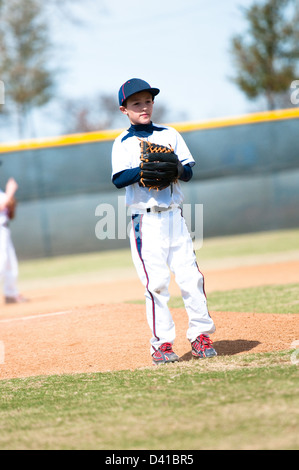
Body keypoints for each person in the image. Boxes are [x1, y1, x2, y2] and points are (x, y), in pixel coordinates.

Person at [111, 78, 216, 365]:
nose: (143, 107)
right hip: (144, 222)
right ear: (124, 109)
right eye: (136, 103)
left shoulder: (170, 134)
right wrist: (144, 168)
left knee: (191, 277)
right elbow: (119, 179)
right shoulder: (123, 142)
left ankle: (201, 336)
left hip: (174, 216)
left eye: (147, 101)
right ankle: (162, 345)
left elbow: (188, 172)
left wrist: (176, 168)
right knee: (155, 283)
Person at [0, 176, 27, 304]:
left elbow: (6, 210)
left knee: (10, 263)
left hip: (4, 229)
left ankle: (11, 294)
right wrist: (10, 191)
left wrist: (9, 204)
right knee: (1, 262)